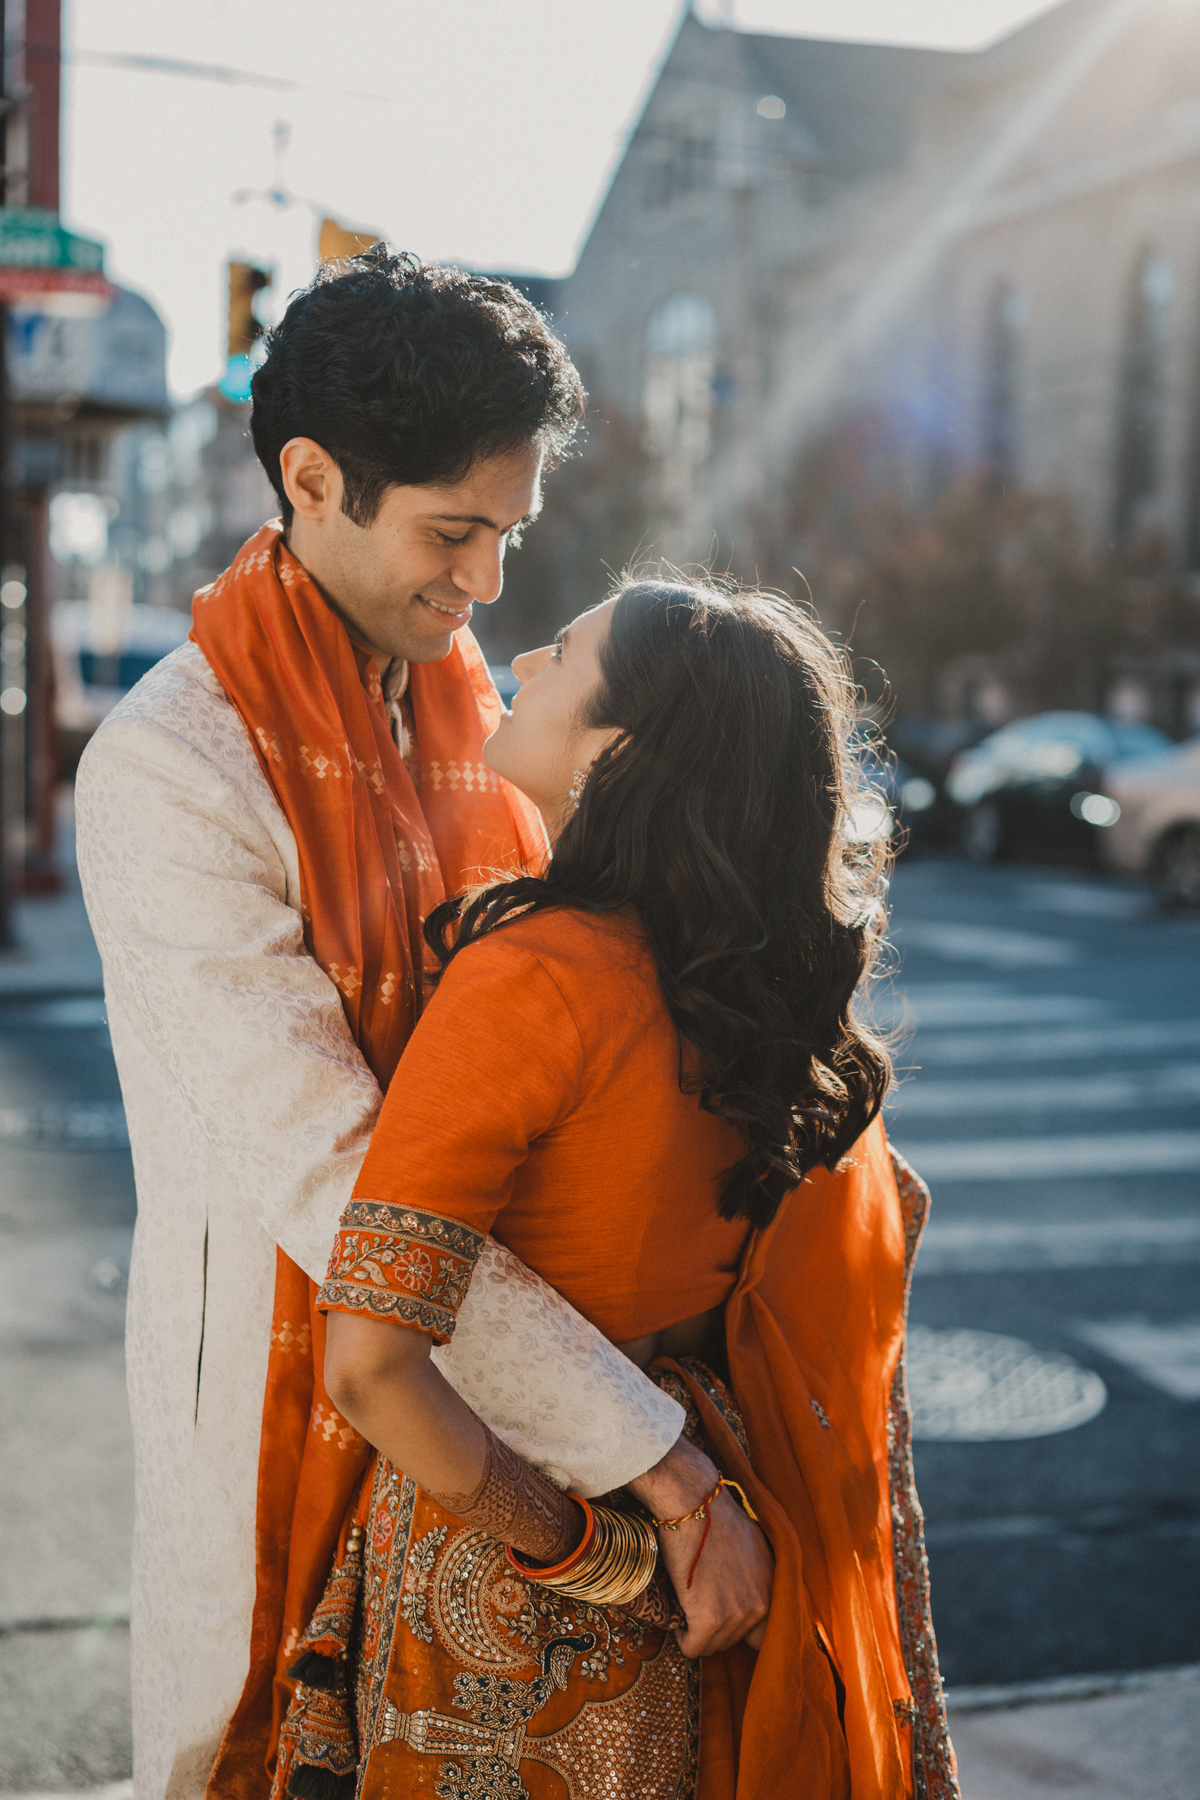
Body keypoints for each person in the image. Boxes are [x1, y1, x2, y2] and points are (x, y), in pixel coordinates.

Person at [75, 250, 716, 1800]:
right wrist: (650, 1455)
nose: (489, 582)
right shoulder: (175, 768)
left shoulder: (472, 714)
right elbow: (349, 1182)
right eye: (453, 532)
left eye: (509, 532)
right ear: (310, 478)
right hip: (299, 1395)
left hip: (482, 1407)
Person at [278, 579, 960, 1799]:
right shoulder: (764, 995)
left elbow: (370, 1364)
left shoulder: (530, 978)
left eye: (572, 647)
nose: (528, 650)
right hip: (739, 1540)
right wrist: (695, 1510)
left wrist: (604, 1560)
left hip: (517, 1578)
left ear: (620, 747)